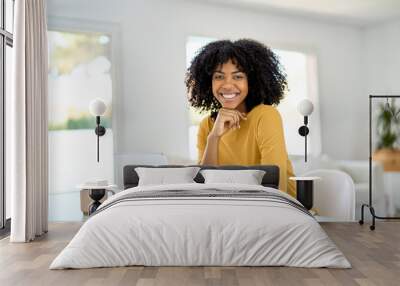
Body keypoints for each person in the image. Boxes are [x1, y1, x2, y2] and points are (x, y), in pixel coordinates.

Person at [185, 39, 296, 197]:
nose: (228, 85)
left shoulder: (265, 115)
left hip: (277, 206)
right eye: (219, 76)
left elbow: (276, 183)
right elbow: (204, 188)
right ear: (208, 82)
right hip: (233, 206)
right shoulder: (207, 126)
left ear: (251, 81)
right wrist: (214, 137)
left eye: (238, 77)